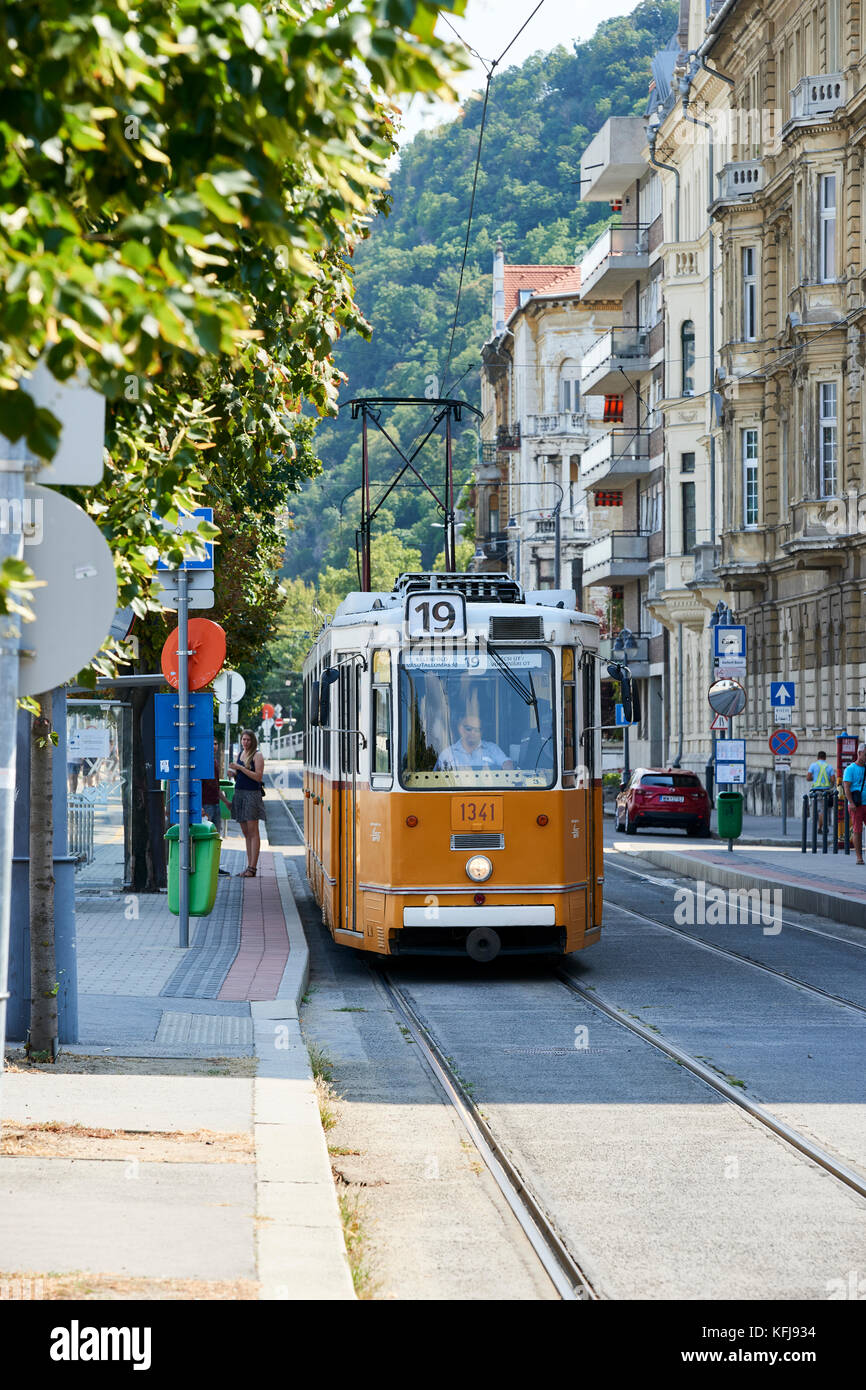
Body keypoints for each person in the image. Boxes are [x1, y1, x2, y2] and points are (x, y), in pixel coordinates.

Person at [229, 729, 265, 877]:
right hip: (240, 794)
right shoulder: (240, 754)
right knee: (245, 832)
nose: (245, 742)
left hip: (252, 795)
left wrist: (241, 768)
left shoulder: (257, 755)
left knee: (253, 831)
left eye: (248, 740)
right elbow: (240, 775)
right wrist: (233, 773)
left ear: (253, 741)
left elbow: (258, 777)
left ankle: (253, 868)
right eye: (243, 739)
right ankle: (248, 866)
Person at [434, 712, 514, 772]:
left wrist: (507, 766)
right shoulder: (447, 754)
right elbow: (438, 780)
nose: (473, 733)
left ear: (481, 732)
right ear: (460, 728)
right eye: (468, 729)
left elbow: (507, 763)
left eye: (477, 730)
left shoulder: (492, 749)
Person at [202, 739, 232, 876]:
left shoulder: (214, 762)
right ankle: (207, 866)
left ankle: (215, 866)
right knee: (207, 836)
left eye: (215, 743)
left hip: (215, 803)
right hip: (206, 804)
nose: (214, 746)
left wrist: (225, 801)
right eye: (211, 743)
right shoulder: (202, 761)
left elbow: (216, 786)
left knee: (216, 837)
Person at [842, 743, 866, 865]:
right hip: (856, 805)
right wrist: (851, 802)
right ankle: (859, 857)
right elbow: (846, 787)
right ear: (859, 753)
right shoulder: (850, 769)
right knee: (858, 830)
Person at [807, 749, 835, 831]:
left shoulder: (813, 765)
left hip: (817, 791)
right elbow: (833, 779)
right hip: (827, 791)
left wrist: (815, 778)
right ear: (825, 757)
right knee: (825, 810)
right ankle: (824, 826)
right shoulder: (829, 766)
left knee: (820, 811)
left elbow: (808, 778)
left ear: (818, 757)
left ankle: (821, 827)